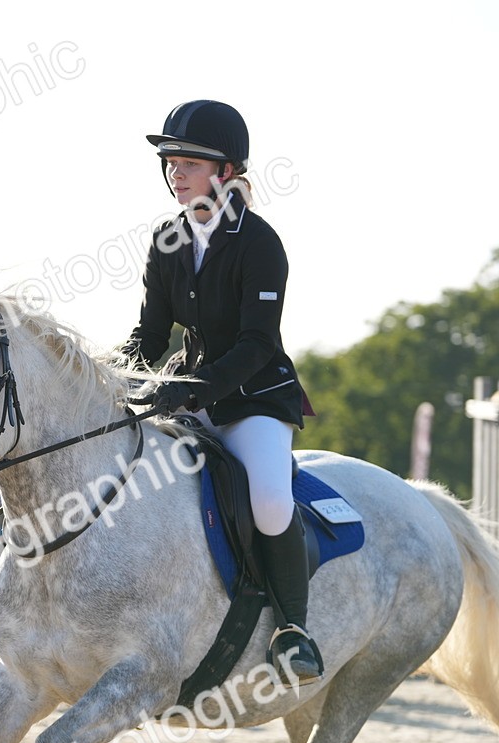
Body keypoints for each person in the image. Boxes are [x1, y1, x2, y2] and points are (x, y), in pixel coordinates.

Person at [121, 99, 321, 685]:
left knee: (270, 501)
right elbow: (149, 336)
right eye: (171, 162)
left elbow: (258, 343)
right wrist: (106, 376)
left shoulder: (259, 243)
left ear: (227, 171)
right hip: (187, 395)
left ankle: (294, 630)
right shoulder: (167, 238)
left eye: (189, 162)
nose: (175, 172)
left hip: (253, 401)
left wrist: (192, 391)